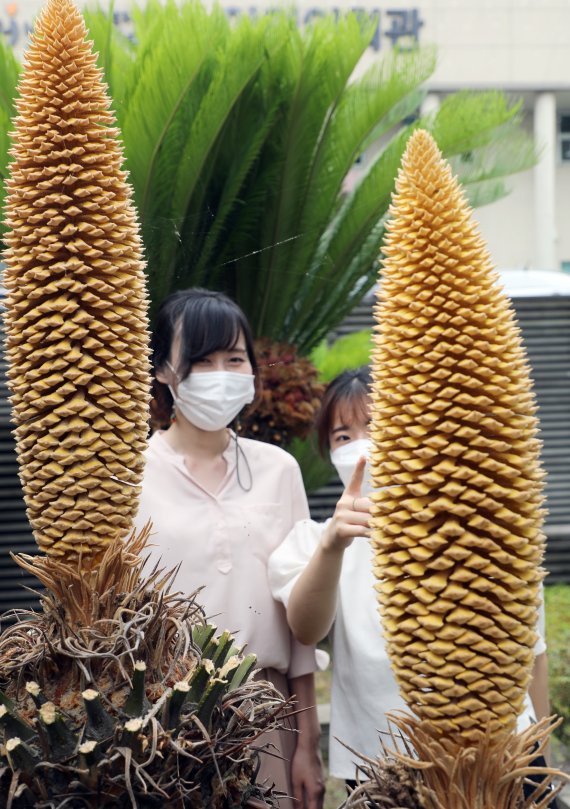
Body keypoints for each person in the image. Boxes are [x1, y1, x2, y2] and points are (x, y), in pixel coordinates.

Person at [268, 366, 556, 801]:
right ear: (329, 454)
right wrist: (332, 546)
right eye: (343, 436)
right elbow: (307, 629)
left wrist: (544, 761)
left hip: (502, 755)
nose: (361, 444)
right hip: (384, 767)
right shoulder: (318, 540)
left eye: (375, 425)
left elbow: (531, 649)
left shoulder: (478, 524)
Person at [134, 288, 324, 809]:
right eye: (199, 360)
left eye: (233, 359)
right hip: (160, 716)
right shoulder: (127, 475)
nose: (219, 372)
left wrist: (307, 745)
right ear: (162, 372)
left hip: (266, 710)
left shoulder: (278, 471)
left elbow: (298, 630)